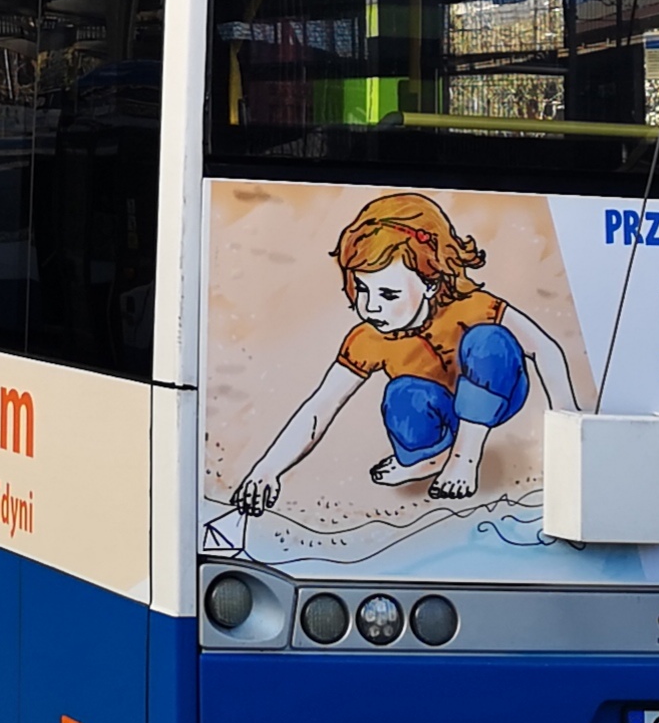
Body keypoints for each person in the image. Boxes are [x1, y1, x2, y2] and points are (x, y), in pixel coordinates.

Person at [230, 190, 577, 510]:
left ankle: (464, 458)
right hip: (439, 410)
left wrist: (571, 429)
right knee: (403, 392)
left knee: (489, 342)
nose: (371, 307)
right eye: (362, 290)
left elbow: (544, 349)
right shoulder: (367, 339)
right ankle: (426, 458)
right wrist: (267, 469)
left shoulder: (472, 307)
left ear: (431, 282)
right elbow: (320, 406)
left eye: (388, 295)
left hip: (496, 395)